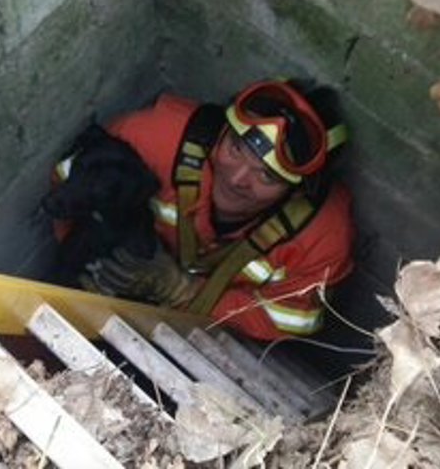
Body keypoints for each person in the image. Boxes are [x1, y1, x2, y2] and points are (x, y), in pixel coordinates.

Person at [44, 79, 355, 342]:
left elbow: (291, 321)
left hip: (208, 335)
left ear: (298, 190)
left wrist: (183, 291)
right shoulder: (156, 138)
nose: (237, 179)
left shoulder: (322, 237)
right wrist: (88, 260)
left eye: (267, 176)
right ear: (222, 131)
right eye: (236, 148)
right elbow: (68, 181)